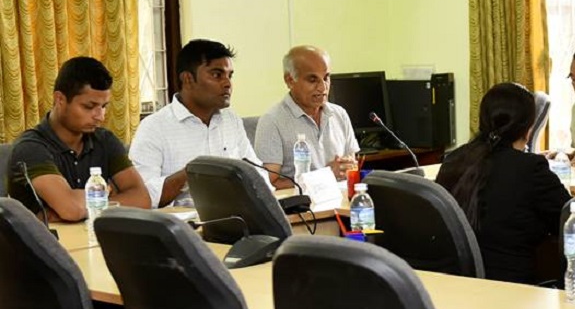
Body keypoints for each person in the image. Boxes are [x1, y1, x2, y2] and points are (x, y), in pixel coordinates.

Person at [437, 83, 571, 284]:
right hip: (512, 288)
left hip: (456, 286)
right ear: (528, 129)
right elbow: (570, 221)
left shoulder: (453, 160)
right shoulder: (530, 168)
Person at [6, 57, 151, 220]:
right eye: (89, 107)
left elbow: (142, 198)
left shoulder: (105, 140)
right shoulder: (30, 147)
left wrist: (76, 208)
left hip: (96, 235)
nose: (100, 116)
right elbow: (72, 209)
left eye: (103, 106)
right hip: (45, 237)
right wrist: (108, 192)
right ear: (60, 99)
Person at [129, 39, 264, 207]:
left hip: (237, 214)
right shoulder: (154, 127)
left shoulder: (231, 120)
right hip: (186, 221)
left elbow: (259, 175)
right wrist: (191, 173)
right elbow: (143, 196)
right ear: (188, 79)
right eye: (217, 75)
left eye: (230, 76)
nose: (227, 84)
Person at [253, 46, 359, 188]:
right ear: (290, 80)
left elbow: (351, 166)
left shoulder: (339, 114)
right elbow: (269, 183)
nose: (323, 87)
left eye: (326, 78)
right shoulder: (272, 121)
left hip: (340, 198)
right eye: (312, 80)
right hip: (302, 201)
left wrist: (348, 168)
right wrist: (326, 175)